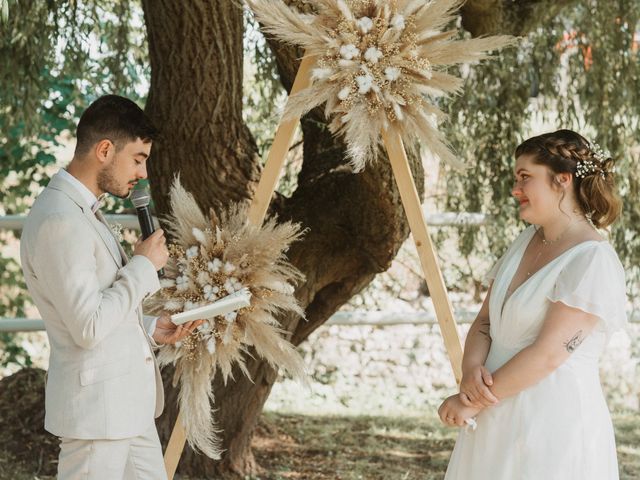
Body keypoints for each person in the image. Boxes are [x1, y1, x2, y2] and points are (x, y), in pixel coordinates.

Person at [20, 95, 202, 479]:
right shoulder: (59, 220)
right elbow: (88, 327)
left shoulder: (85, 211)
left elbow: (103, 305)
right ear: (105, 149)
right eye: (137, 159)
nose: (142, 173)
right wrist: (142, 265)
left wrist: (152, 328)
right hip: (96, 416)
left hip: (128, 408)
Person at [438, 129, 628, 479]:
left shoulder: (591, 260)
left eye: (525, 177)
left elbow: (548, 355)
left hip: (553, 420)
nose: (516, 189)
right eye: (516, 178)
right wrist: (470, 371)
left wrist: (469, 402)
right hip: (495, 409)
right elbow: (485, 321)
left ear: (562, 180)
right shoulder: (526, 240)